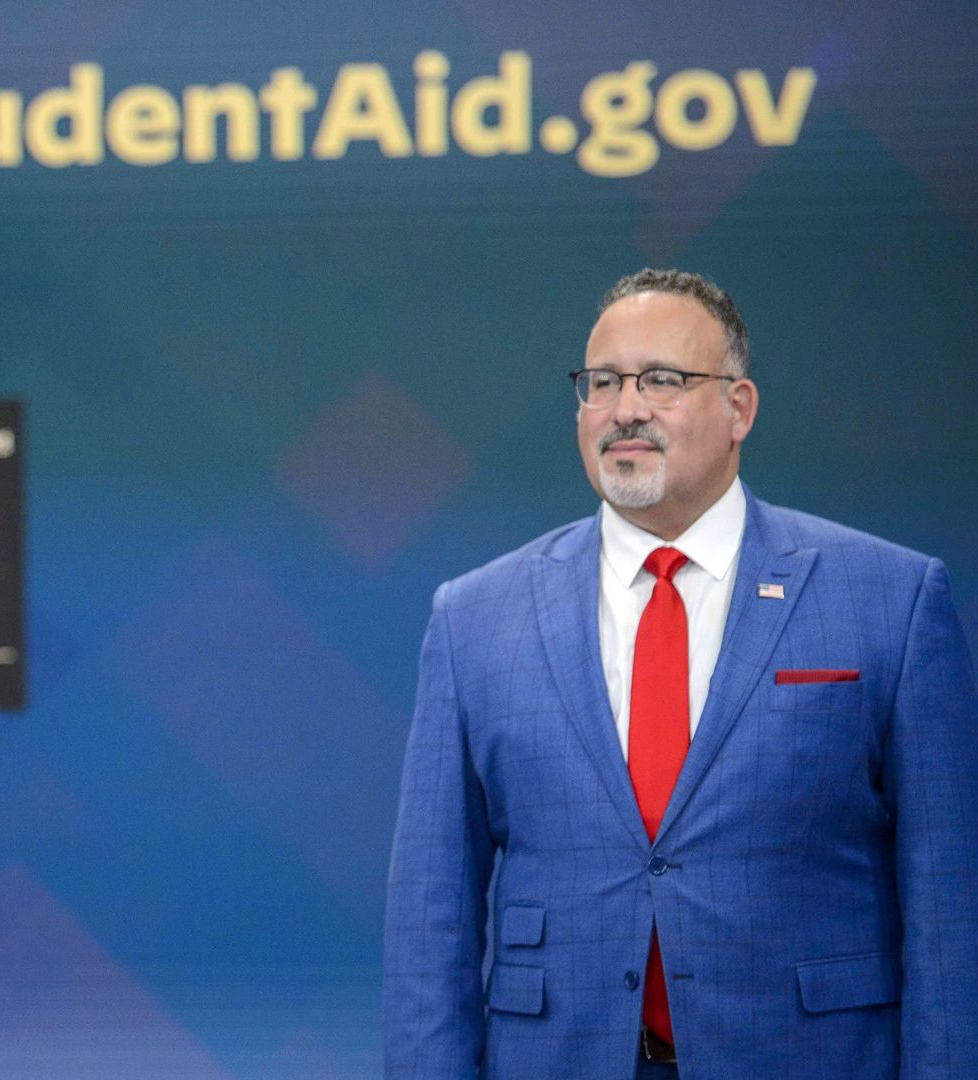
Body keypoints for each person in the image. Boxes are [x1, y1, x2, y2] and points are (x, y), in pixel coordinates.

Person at [383, 269, 977, 1078]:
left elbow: (949, 907)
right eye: (603, 383)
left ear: (740, 409)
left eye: (663, 379)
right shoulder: (474, 618)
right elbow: (430, 918)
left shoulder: (891, 599)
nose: (627, 407)